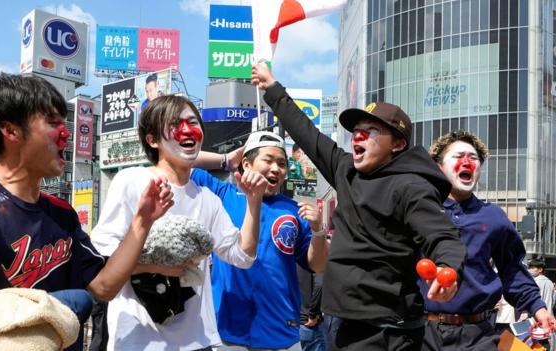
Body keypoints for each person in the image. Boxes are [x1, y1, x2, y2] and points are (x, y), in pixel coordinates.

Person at [0, 73, 174, 351]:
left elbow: (105, 286)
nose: (66, 133)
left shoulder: (62, 213)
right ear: (11, 131)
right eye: (52, 122)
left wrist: (142, 221)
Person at [251, 62, 467, 351]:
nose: (358, 135)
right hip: (339, 322)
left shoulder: (411, 187)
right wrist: (273, 89)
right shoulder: (346, 170)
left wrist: (448, 268)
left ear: (398, 145)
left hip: (386, 332)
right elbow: (307, 134)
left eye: (371, 130)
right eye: (356, 130)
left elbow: (442, 236)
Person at [90, 94, 268, 350]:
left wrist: (254, 202)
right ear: (152, 139)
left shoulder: (207, 199)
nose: (187, 130)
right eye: (175, 123)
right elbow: (102, 261)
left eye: (193, 122)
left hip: (198, 342)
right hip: (138, 341)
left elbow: (242, 255)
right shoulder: (131, 181)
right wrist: (160, 267)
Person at [191, 131, 329, 350]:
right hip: (226, 331)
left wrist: (318, 230)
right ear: (246, 164)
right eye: (268, 160)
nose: (276, 169)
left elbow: (318, 265)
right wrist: (225, 160)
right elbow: (178, 160)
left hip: (282, 333)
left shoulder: (294, 210)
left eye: (282, 163)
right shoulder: (220, 194)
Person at [422, 130, 555, 350]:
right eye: (457, 156)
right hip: (423, 333)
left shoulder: (493, 216)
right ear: (439, 167)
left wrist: (537, 307)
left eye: (473, 158)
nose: (467, 162)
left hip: (477, 336)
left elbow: (511, 269)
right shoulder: (419, 210)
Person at [298, 267, 326, 351]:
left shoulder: (287, 257)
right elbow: (320, 284)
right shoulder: (310, 258)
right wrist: (313, 315)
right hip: (310, 324)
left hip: (292, 322)